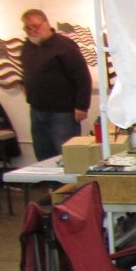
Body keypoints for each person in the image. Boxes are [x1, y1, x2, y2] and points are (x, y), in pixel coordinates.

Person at [19, 9, 92, 161]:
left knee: (67, 156)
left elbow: (82, 76)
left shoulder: (64, 46)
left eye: (35, 26)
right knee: (43, 154)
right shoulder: (28, 46)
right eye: (27, 28)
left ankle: (70, 178)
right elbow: (27, 71)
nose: (32, 31)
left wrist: (82, 106)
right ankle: (49, 178)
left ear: (46, 24)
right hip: (37, 110)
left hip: (63, 112)